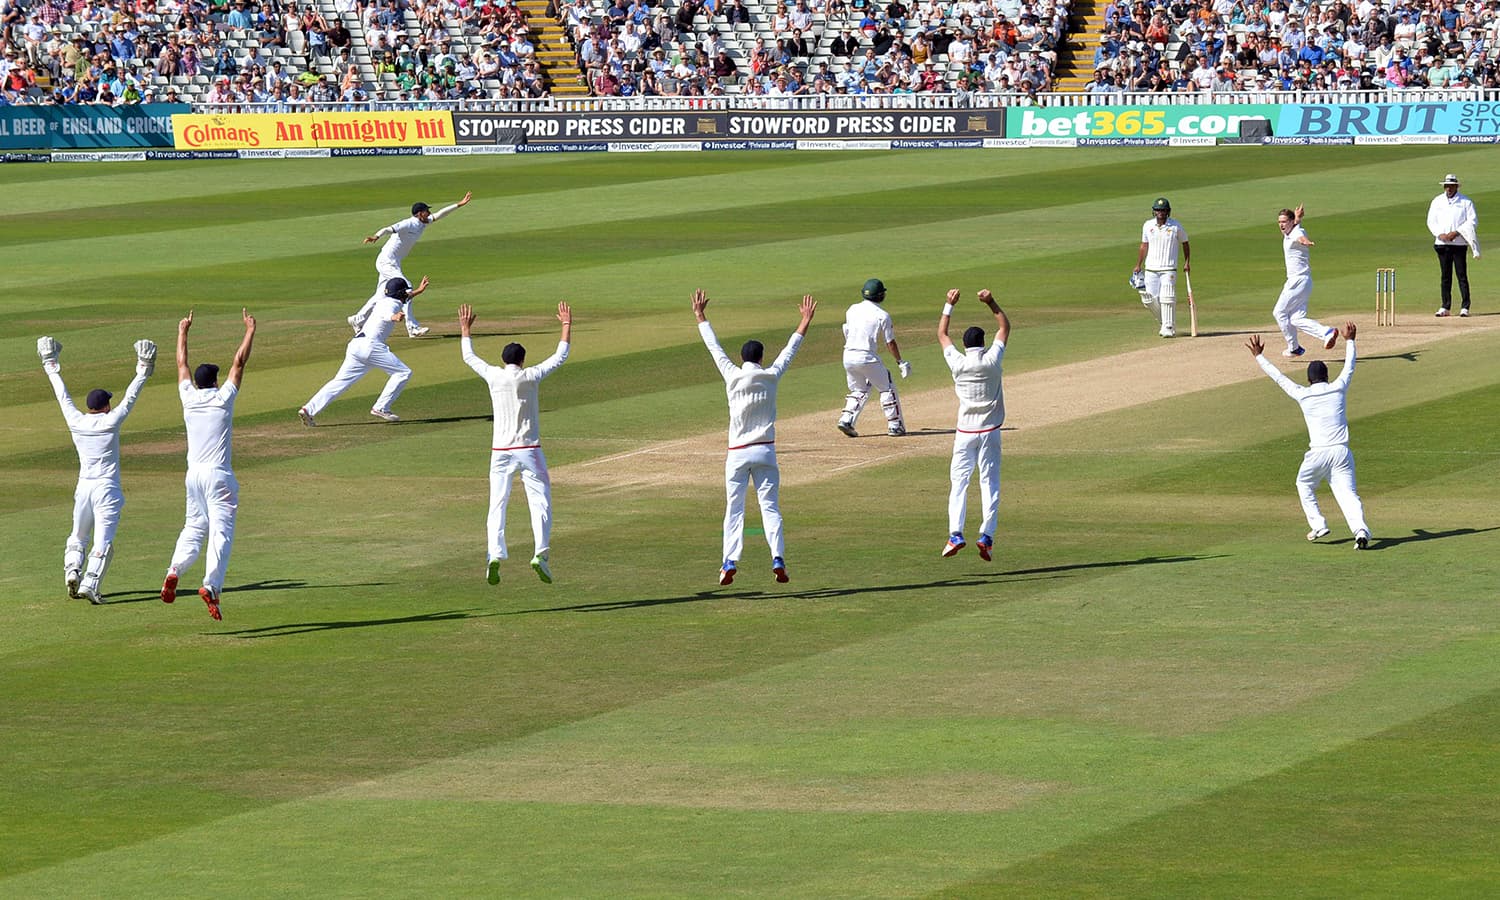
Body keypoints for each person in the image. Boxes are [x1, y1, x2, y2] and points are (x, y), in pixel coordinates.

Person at [693, 288, 817, 585]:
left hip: (737, 453)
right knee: (770, 507)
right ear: (761, 357)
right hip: (765, 452)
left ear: (742, 357)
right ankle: (778, 557)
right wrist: (805, 321)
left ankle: (729, 562)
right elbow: (790, 350)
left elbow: (714, 348)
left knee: (734, 510)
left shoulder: (732, 375)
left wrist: (700, 315)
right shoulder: (771, 375)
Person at [458, 300, 572, 585]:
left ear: (504, 359)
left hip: (500, 451)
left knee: (497, 503)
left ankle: (494, 554)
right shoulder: (530, 376)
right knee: (540, 501)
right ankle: (540, 554)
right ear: (522, 360)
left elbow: (469, 358)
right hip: (529, 450)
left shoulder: (494, 376)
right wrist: (566, 325)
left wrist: (465, 329)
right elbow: (560, 356)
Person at [37, 336, 156, 603]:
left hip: (84, 488)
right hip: (107, 489)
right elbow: (130, 397)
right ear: (105, 406)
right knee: (104, 540)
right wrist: (143, 368)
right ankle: (90, 583)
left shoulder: (76, 420)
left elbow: (62, 394)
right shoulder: (111, 421)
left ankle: (72, 571)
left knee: (78, 534)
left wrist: (50, 364)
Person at [161, 308, 257, 621]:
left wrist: (183, 331)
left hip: (193, 477)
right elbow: (239, 362)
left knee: (193, 528)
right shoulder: (223, 398)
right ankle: (211, 585)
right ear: (214, 381)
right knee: (221, 533)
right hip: (218, 477)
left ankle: (174, 569)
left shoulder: (188, 397)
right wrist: (250, 329)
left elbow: (180, 363)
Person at [1246, 323, 1370, 549]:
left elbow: (1279, 378)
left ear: (1309, 379)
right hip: (1342, 452)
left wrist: (1259, 357)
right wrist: (1350, 340)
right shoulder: (1338, 387)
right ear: (1326, 376)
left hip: (1318, 454)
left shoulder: (1303, 394)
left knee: (1303, 483)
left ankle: (1319, 524)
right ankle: (1360, 531)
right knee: (1348, 495)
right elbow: (1350, 366)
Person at [936, 288, 1010, 561]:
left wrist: (949, 305)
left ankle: (956, 533)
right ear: (983, 343)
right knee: (989, 483)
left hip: (965, 433)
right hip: (990, 432)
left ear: (965, 346)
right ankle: (986, 537)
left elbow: (942, 335)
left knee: (959, 482)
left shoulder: (958, 362)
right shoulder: (992, 360)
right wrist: (990, 301)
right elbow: (1005, 326)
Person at [301, 277, 428, 426]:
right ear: (399, 293)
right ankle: (381, 407)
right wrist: (394, 317)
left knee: (340, 382)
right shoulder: (392, 304)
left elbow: (401, 298)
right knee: (403, 373)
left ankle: (308, 409)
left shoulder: (385, 299)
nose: (406, 295)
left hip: (356, 345)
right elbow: (387, 314)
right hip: (371, 347)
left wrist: (418, 291)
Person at [349, 191, 471, 338]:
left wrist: (459, 204)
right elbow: (389, 229)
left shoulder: (423, 223)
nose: (429, 213)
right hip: (387, 261)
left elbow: (440, 214)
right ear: (420, 213)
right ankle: (412, 327)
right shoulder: (408, 223)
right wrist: (376, 236)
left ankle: (357, 319)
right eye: (427, 211)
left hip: (394, 262)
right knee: (405, 287)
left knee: (381, 294)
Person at [835, 278, 911, 437]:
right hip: (866, 356)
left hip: (848, 355)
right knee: (887, 387)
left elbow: (846, 331)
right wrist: (900, 362)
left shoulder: (852, 309)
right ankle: (895, 425)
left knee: (859, 389)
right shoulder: (883, 315)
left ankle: (846, 419)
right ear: (881, 295)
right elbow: (890, 342)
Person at [1272, 205, 1338, 358]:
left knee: (1279, 312)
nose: (1281, 225)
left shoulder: (1296, 233)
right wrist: (1298, 218)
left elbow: (1300, 236)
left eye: (1283, 222)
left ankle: (1294, 347)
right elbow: (1295, 227)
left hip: (1297, 282)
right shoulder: (1290, 231)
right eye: (1279, 222)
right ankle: (1326, 333)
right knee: (1296, 318)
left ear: (1289, 222)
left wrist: (1306, 242)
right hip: (1304, 282)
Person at [1132, 196, 1190, 338]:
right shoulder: (1147, 225)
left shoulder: (1176, 226)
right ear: (1154, 211)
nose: (1160, 213)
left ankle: (1169, 327)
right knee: (1149, 300)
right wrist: (1138, 264)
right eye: (1158, 210)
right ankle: (1165, 322)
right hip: (1151, 268)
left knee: (1167, 296)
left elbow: (1185, 243)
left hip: (1169, 268)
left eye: (1163, 210)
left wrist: (1187, 261)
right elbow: (1144, 245)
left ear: (1168, 211)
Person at [1427, 173, 1480, 317]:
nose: (1448, 188)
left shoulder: (1465, 202)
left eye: (1451, 186)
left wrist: (1456, 232)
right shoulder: (1437, 201)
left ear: (1456, 186)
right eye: (1446, 186)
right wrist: (1440, 234)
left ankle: (1465, 307)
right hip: (1442, 243)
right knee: (1445, 276)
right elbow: (1431, 221)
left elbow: (1472, 221)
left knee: (1461, 275)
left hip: (1459, 243)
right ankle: (1445, 306)